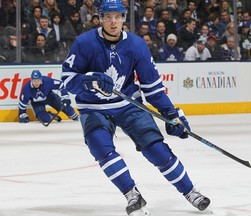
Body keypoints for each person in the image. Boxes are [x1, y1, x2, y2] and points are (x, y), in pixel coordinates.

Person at [61, 0, 211, 215]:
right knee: (99, 146)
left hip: (127, 104)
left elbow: (153, 87)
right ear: (100, 18)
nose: (113, 22)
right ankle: (132, 194)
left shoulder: (136, 45)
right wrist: (90, 80)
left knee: (156, 149)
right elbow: (67, 80)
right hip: (92, 106)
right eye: (108, 17)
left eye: (118, 17)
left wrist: (171, 114)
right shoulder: (84, 43)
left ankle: (191, 192)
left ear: (124, 18)